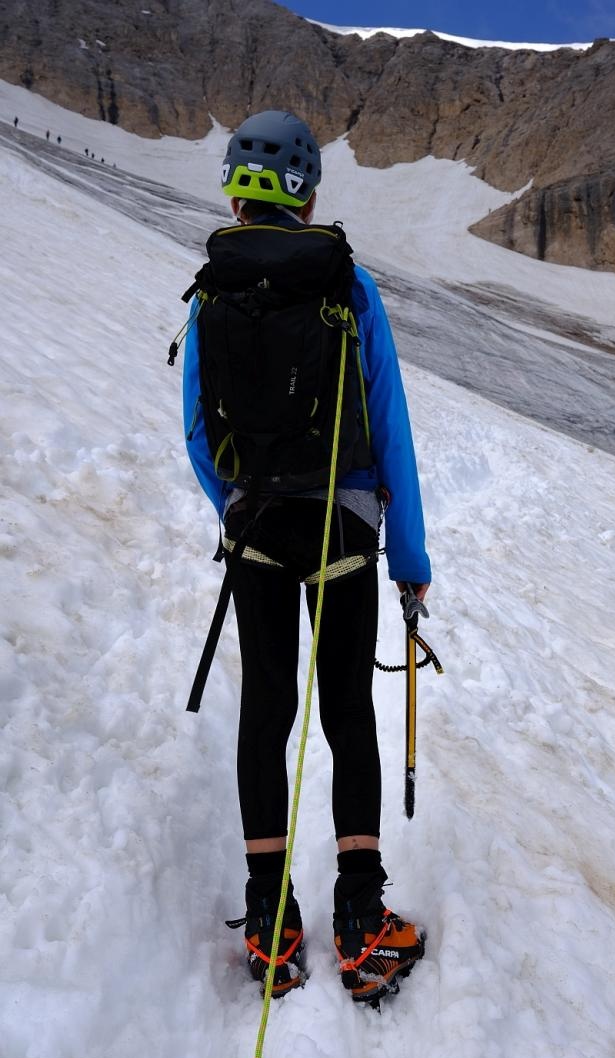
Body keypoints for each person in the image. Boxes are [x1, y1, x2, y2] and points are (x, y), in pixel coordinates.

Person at [181, 110, 431, 1004]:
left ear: (235, 190)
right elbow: (389, 425)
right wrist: (408, 554)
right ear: (308, 192)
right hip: (347, 533)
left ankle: (270, 924)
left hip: (257, 532)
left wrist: (242, 508)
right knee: (346, 710)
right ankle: (362, 925)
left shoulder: (212, 288)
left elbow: (198, 435)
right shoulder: (346, 283)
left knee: (267, 712)